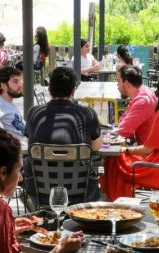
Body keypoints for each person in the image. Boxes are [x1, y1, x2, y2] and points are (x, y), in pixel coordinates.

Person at [100, 77, 159, 201]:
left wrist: (125, 149)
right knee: (120, 158)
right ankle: (118, 200)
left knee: (115, 159)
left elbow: (147, 149)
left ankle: (117, 202)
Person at [24, 66, 102, 204]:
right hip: (80, 193)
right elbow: (96, 146)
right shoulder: (87, 114)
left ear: (49, 89)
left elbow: (28, 141)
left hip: (40, 192)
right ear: (73, 90)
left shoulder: (34, 113)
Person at [114, 64, 158, 145]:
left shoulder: (142, 101)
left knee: (111, 156)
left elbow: (123, 130)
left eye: (118, 81)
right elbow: (124, 120)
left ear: (126, 84)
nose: (117, 84)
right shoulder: (142, 92)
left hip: (149, 155)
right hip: (146, 149)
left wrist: (104, 134)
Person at [0, 65, 26, 142]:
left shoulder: (9, 104)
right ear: (3, 86)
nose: (20, 84)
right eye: (15, 81)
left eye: (20, 80)